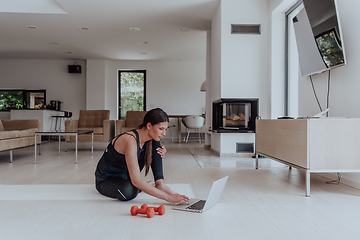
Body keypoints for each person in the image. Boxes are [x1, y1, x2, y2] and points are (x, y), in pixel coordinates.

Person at [95, 108, 189, 204]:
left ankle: (160, 184)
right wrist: (168, 197)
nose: (164, 134)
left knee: (156, 143)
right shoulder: (130, 140)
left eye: (165, 129)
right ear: (149, 126)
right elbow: (136, 181)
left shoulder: (152, 139)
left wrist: (176, 195)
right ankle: (143, 187)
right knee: (129, 191)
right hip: (107, 179)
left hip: (127, 176)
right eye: (161, 129)